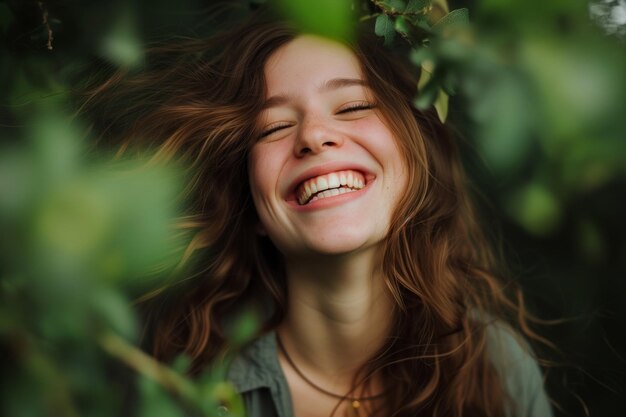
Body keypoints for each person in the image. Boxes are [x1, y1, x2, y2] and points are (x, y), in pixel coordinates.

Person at [83, 10, 553, 417]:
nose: (314, 135)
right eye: (275, 126)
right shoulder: (178, 386)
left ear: (415, 159)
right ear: (250, 205)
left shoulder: (499, 371)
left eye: (352, 106)